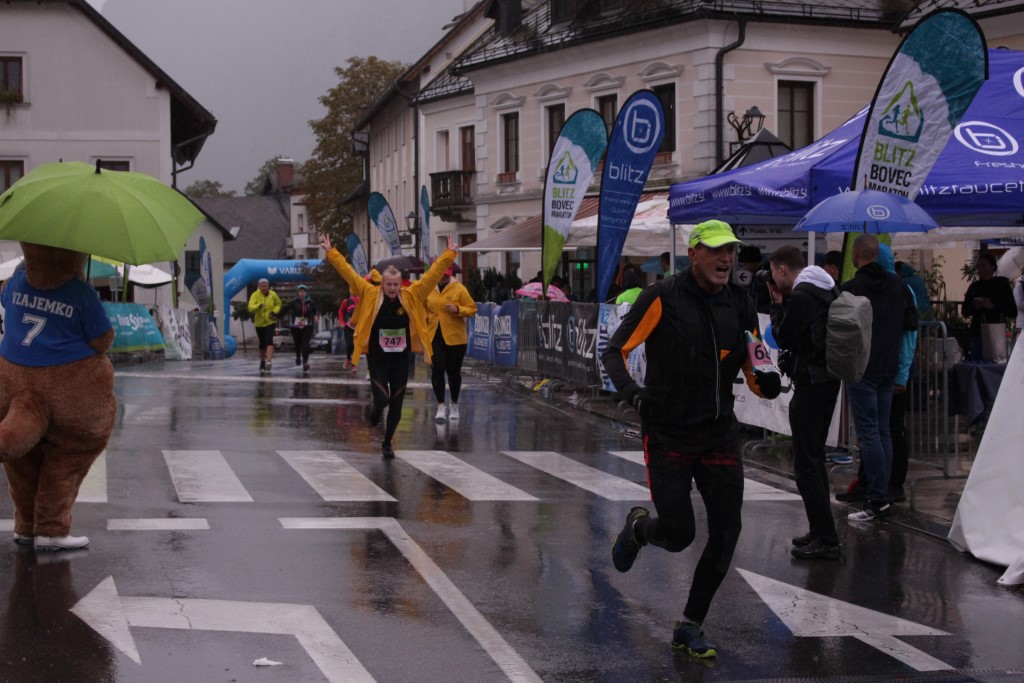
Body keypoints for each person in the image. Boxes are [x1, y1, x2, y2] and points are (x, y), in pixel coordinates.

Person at [601, 219, 781, 658]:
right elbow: (615, 351)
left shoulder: (740, 303)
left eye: (730, 251)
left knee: (727, 531)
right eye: (716, 250)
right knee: (680, 533)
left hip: (719, 435)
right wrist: (634, 395)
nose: (726, 259)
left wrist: (765, 382)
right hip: (669, 434)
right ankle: (639, 529)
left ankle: (690, 624)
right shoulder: (661, 297)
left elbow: (753, 361)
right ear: (693, 253)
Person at [321, 232, 458, 458]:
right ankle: (375, 411)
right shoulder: (369, 293)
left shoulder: (411, 294)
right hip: (378, 357)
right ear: (382, 284)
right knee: (382, 399)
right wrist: (332, 253)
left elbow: (432, 275)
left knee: (397, 402)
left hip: (401, 358)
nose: (393, 288)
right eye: (389, 284)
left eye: (396, 284)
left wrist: (449, 254)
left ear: (400, 283)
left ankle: (387, 443)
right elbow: (349, 274)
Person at [767, 245, 842, 560]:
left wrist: (776, 307)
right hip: (827, 380)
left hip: (811, 383)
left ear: (783, 269)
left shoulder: (801, 296)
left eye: (774, 273)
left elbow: (783, 336)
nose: (773, 280)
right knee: (814, 459)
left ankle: (826, 539)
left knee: (806, 465)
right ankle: (820, 529)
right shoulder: (826, 287)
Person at [840, 235, 917, 522]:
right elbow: (911, 321)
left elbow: (841, 330)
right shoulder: (898, 285)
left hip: (862, 367)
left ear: (855, 255)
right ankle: (882, 492)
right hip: (888, 366)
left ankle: (877, 498)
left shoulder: (851, 288)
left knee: (869, 433)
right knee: (883, 430)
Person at [427, 267, 477, 422]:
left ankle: (454, 404)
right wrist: (425, 316)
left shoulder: (459, 289)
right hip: (434, 335)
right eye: (441, 275)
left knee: (453, 372)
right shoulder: (429, 287)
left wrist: (458, 309)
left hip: (455, 337)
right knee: (437, 369)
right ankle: (441, 406)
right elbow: (420, 306)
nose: (443, 278)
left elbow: (472, 309)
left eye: (446, 275)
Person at [962, 252, 1016, 360]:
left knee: (995, 364)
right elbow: (965, 311)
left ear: (993, 267)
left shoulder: (1001, 285)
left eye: (984, 265)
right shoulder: (974, 287)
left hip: (996, 334)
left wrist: (993, 306)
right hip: (977, 333)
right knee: (977, 363)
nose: (980, 269)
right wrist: (975, 306)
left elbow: (1013, 311)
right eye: (978, 266)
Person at [247, 278, 282, 373]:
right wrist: (258, 306)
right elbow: (250, 307)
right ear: (259, 286)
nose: (264, 288)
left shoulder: (273, 294)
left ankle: (269, 362)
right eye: (262, 286)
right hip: (259, 323)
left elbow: (278, 304)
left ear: (268, 286)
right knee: (262, 344)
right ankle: (262, 361)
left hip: (270, 322)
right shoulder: (255, 295)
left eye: (266, 286)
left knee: (269, 340)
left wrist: (274, 311)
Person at [285, 284, 318, 372]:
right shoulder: (293, 302)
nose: (302, 293)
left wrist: (315, 316)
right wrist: (276, 315)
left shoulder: (310, 302)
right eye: (300, 292)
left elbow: (315, 311)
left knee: (305, 344)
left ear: (306, 293)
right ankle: (298, 356)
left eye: (304, 292)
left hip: (307, 326)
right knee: (298, 344)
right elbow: (285, 308)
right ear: (298, 293)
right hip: (295, 327)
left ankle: (305, 363)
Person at [338, 291, 359, 371]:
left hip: (359, 327)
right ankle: (348, 358)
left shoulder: (362, 300)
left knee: (356, 346)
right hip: (348, 326)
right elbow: (341, 311)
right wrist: (341, 322)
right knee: (350, 344)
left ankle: (354, 364)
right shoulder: (346, 301)